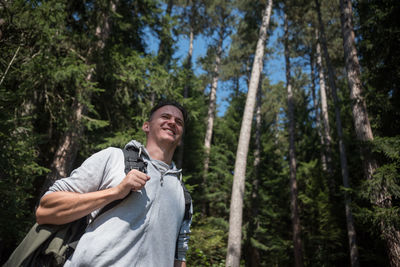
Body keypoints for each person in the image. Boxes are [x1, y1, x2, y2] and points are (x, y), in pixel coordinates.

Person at [36, 100, 192, 267]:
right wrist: (116, 192)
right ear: (146, 126)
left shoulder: (183, 196)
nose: (172, 122)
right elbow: (45, 210)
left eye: (179, 122)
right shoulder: (113, 158)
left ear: (180, 138)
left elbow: (179, 258)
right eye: (165, 116)